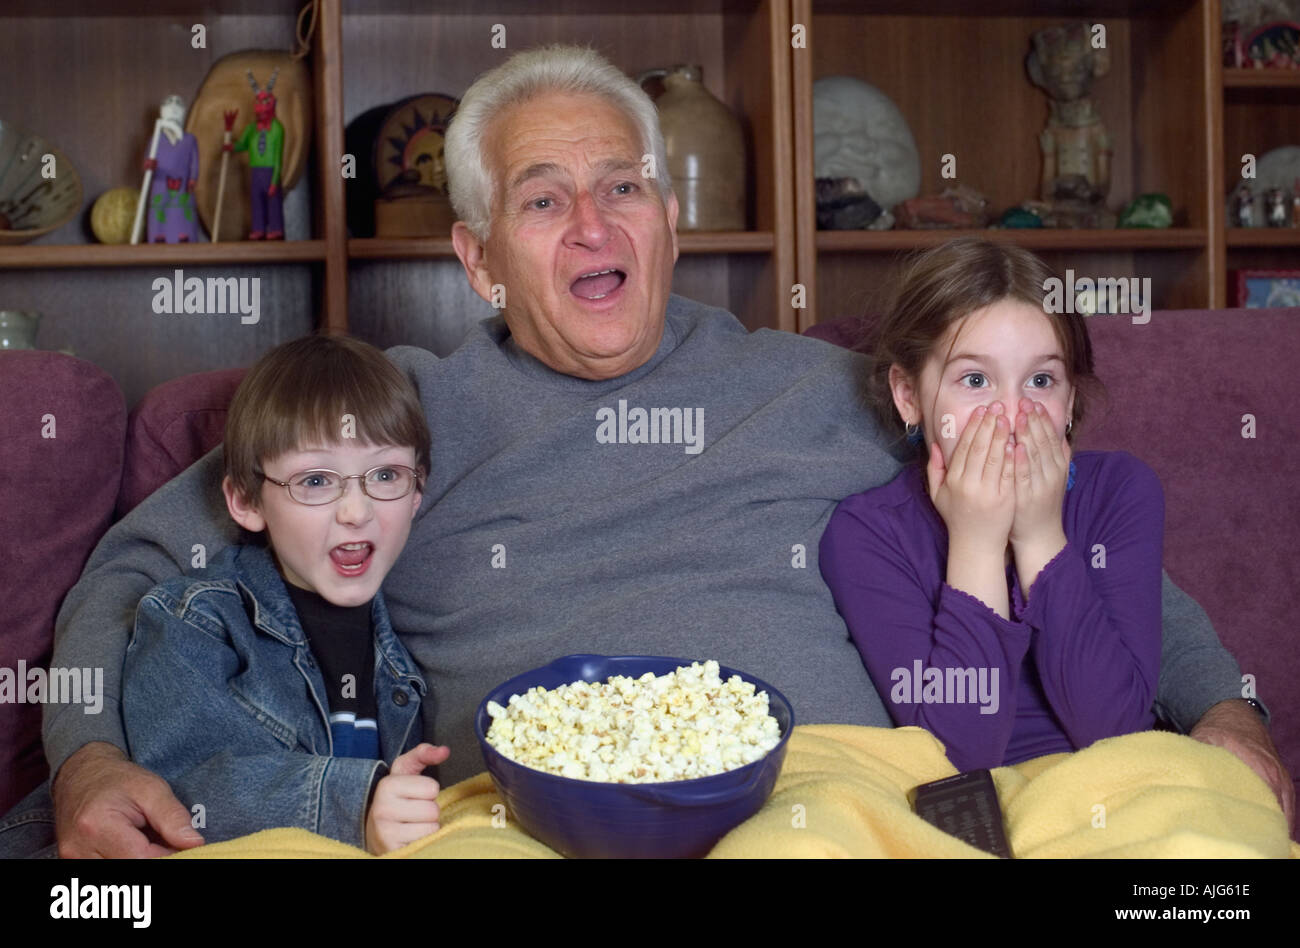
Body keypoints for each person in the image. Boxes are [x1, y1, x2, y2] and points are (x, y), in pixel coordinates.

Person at [17, 44, 1291, 858]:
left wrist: (1227, 715)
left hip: (855, 803)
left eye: (621, 184)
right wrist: (83, 756)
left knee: (1202, 839)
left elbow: (1071, 528)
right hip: (533, 820)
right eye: (541, 198)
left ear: (668, 217)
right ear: (476, 256)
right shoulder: (387, 420)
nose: (591, 224)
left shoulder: (847, 392)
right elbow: (130, 572)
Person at [820, 238, 1160, 771]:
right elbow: (959, 756)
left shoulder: (1120, 490)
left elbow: (1119, 733)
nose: (1010, 413)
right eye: (975, 380)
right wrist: (976, 546)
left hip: (1111, 790)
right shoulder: (868, 533)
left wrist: (1040, 538)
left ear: (1070, 400)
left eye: (1041, 380)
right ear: (908, 396)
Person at [128, 334, 448, 854]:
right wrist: (357, 805)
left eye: (385, 474)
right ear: (247, 501)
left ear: (418, 490)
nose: (356, 511)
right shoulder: (195, 620)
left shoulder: (413, 644)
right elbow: (185, 785)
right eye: (317, 481)